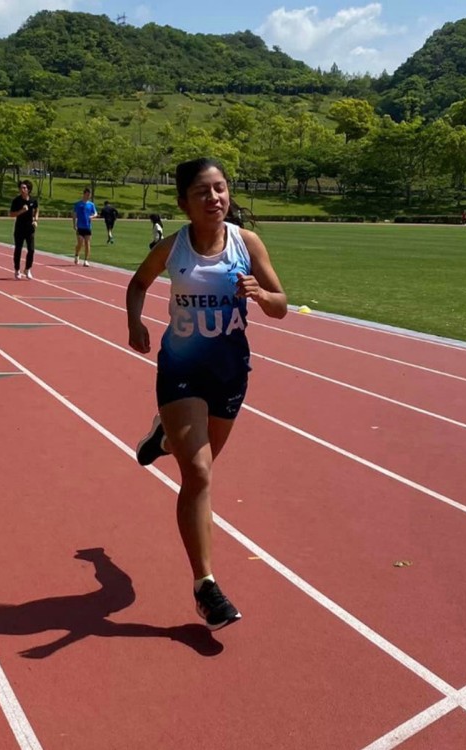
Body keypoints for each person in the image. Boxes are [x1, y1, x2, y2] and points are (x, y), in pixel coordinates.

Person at [125, 157, 287, 631]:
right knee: (197, 473)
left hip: (230, 373)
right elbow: (138, 283)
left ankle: (163, 438)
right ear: (184, 203)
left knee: (201, 462)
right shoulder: (174, 248)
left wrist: (260, 293)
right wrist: (135, 319)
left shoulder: (247, 243)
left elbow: (281, 308)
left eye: (220, 189)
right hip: (181, 368)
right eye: (202, 191)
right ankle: (205, 586)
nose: (214, 198)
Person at [9, 179, 39, 279]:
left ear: (28, 189)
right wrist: (21, 211)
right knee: (18, 249)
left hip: (30, 229)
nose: (22, 189)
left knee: (31, 250)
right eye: (21, 188)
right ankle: (17, 270)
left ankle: (27, 269)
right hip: (19, 229)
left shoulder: (33, 200)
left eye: (24, 188)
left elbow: (36, 209)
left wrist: (35, 220)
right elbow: (11, 214)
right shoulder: (16, 201)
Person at [72, 187, 97, 267]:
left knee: (87, 243)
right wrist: (74, 224)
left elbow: (95, 213)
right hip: (80, 226)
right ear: (84, 194)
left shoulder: (91, 204)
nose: (88, 196)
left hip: (88, 226)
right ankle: (76, 254)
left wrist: (92, 216)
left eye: (89, 195)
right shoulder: (78, 204)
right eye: (87, 194)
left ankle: (86, 260)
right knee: (80, 243)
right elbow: (74, 214)